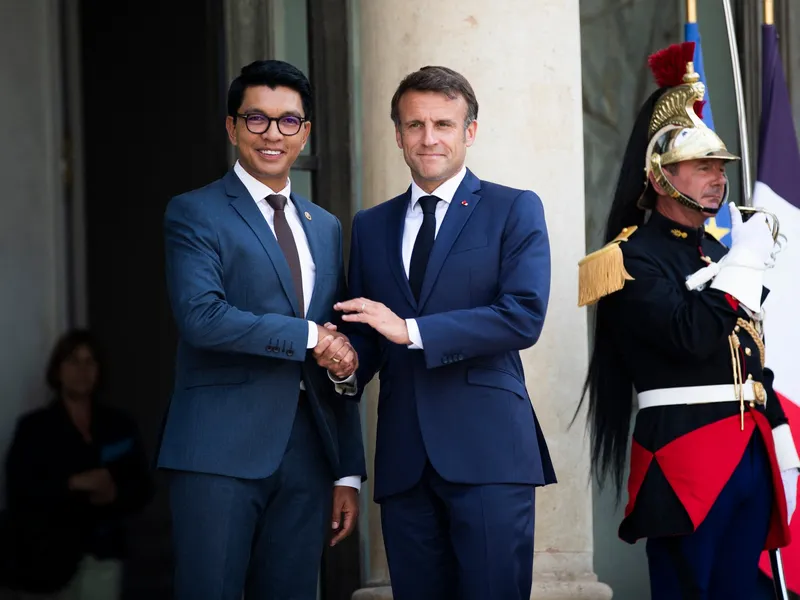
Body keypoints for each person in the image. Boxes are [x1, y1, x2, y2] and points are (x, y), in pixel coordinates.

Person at [576, 42, 800, 599]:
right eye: (700, 166)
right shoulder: (630, 258)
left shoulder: (719, 255)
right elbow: (688, 336)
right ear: (659, 177)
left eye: (719, 167)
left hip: (749, 452)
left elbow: (750, 356)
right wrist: (742, 264)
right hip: (684, 458)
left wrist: (780, 434)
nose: (716, 178)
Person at [333, 65, 555, 600]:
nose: (428, 138)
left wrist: (408, 329)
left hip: (489, 455)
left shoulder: (513, 208)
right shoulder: (371, 224)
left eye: (443, 124)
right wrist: (344, 360)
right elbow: (367, 337)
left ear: (470, 131)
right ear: (398, 135)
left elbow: (523, 314)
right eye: (415, 125)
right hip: (405, 460)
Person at [157, 59, 366, 600]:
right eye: (256, 119)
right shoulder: (195, 212)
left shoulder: (325, 226)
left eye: (288, 121)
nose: (273, 134)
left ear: (305, 132)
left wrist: (346, 470)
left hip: (308, 454)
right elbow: (202, 316)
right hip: (218, 450)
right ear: (232, 128)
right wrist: (309, 337)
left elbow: (337, 339)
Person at [3, 329, 153, 599]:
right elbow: (20, 490)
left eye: (90, 362)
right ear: (58, 370)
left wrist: (114, 494)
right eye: (73, 361)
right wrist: (72, 484)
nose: (82, 370)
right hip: (46, 562)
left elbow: (143, 488)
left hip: (104, 554)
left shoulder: (119, 426)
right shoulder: (34, 428)